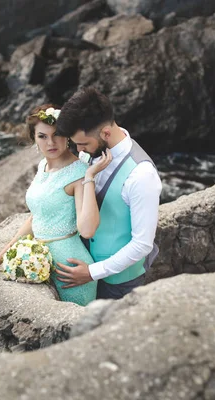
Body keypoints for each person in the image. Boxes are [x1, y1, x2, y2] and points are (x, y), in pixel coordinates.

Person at [0, 104, 111, 306]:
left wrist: (89, 177)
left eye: (57, 135)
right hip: (37, 261)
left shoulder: (79, 172)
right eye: (42, 136)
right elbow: (36, 217)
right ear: (34, 139)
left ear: (67, 136)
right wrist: (0, 257)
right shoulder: (43, 166)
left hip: (69, 269)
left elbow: (87, 230)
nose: (51, 143)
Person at [53, 87, 162, 300]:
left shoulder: (141, 175)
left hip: (119, 284)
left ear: (105, 133)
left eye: (83, 144)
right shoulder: (90, 154)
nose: (80, 151)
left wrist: (92, 272)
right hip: (82, 270)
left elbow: (142, 244)